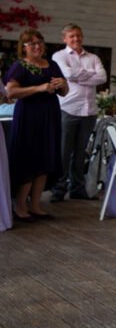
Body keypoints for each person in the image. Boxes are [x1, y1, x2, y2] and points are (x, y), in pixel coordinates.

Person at [3, 29, 68, 222]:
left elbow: (64, 92)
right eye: (32, 44)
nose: (37, 46)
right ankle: (20, 206)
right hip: (28, 117)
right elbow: (10, 93)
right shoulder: (19, 66)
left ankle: (36, 205)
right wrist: (39, 88)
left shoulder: (52, 64)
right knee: (28, 160)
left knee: (45, 159)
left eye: (40, 42)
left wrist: (63, 84)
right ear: (24, 48)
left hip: (50, 116)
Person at [51, 23, 107, 202]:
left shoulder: (93, 57)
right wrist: (88, 75)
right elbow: (67, 74)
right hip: (68, 109)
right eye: (72, 36)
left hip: (89, 111)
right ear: (65, 39)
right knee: (63, 152)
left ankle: (77, 189)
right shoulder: (58, 56)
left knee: (81, 152)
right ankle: (58, 189)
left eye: (78, 35)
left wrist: (78, 76)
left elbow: (102, 77)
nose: (76, 39)